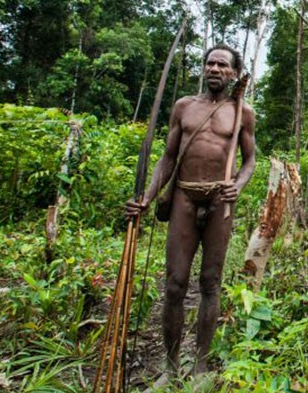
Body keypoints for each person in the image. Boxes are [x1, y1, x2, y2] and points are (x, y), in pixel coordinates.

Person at [125, 44, 255, 381]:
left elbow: (249, 161)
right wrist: (147, 198)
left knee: (210, 283)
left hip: (218, 203)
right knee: (174, 284)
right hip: (184, 196)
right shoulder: (184, 107)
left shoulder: (243, 113)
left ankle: (200, 365)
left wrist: (237, 186)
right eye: (210, 63)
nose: (214, 69)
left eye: (222, 65)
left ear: (234, 73)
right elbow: (168, 158)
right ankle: (169, 367)